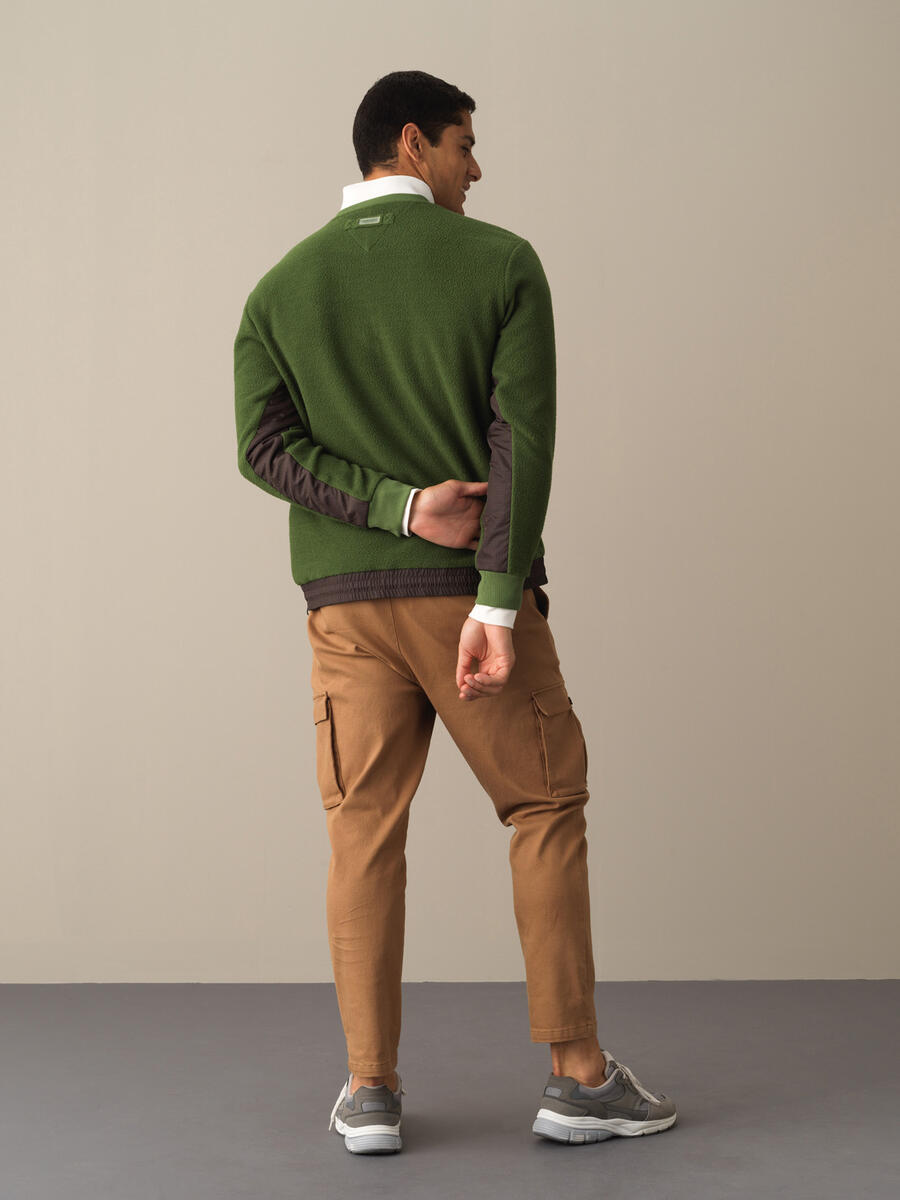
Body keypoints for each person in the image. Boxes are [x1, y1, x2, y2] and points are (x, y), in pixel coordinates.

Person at [234, 69, 677, 1155]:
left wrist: (390, 506)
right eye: (465, 145)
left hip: (344, 613)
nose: (477, 168)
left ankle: (369, 1091)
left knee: (361, 834)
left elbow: (263, 450)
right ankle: (578, 1077)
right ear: (411, 142)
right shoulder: (502, 263)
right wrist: (497, 601)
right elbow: (522, 441)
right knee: (543, 807)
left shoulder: (278, 289)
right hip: (463, 602)